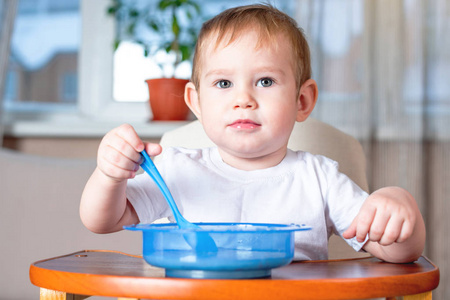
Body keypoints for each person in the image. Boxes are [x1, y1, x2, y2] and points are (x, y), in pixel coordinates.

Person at [80, 4, 425, 262]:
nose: (243, 99)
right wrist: (110, 176)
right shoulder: (175, 169)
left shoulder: (319, 179)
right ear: (196, 102)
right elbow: (103, 220)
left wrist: (399, 207)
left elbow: (398, 254)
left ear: (302, 100)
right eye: (224, 83)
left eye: (265, 81)